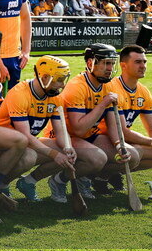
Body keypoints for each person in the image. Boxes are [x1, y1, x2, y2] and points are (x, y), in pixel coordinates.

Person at [0, 56, 104, 203]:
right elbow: (24, 134)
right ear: (44, 77)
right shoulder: (20, 93)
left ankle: (28, 182)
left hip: (27, 143)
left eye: (64, 79)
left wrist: (67, 147)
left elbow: (60, 131)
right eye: (59, 79)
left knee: (64, 151)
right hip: (2, 147)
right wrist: (54, 155)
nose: (62, 85)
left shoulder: (55, 97)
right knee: (29, 157)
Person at [55, 43, 141, 201]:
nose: (110, 68)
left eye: (112, 63)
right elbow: (79, 129)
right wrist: (103, 103)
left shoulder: (107, 85)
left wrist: (118, 145)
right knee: (98, 158)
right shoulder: (77, 86)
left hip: (89, 136)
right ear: (90, 63)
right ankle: (58, 180)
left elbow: (112, 124)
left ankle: (86, 177)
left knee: (133, 156)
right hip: (66, 136)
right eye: (106, 63)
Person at [106, 45, 152, 171]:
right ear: (123, 65)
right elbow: (123, 132)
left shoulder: (143, 92)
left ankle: (114, 173)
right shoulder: (112, 88)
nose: (143, 66)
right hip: (105, 140)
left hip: (123, 140)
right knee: (135, 153)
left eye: (144, 62)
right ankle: (102, 175)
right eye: (138, 62)